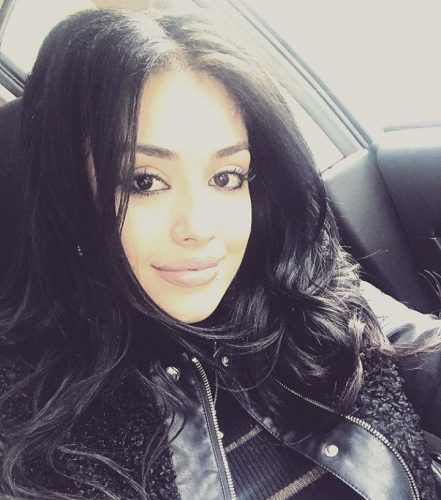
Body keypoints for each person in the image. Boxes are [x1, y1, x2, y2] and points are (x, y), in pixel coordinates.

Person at [0, 8, 440, 500]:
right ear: (69, 193)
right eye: (143, 181)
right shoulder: (24, 412)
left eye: (226, 177)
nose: (200, 228)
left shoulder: (304, 287)